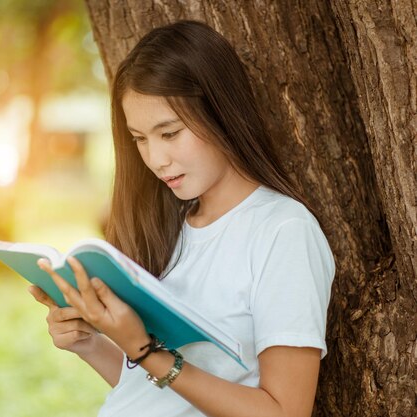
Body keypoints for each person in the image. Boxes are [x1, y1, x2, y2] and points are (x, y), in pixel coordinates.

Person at [29, 20, 335, 417]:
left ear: (221, 112)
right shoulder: (169, 224)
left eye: (169, 133)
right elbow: (156, 396)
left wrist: (146, 350)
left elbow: (285, 412)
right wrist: (89, 341)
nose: (156, 160)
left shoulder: (283, 231)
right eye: (140, 139)